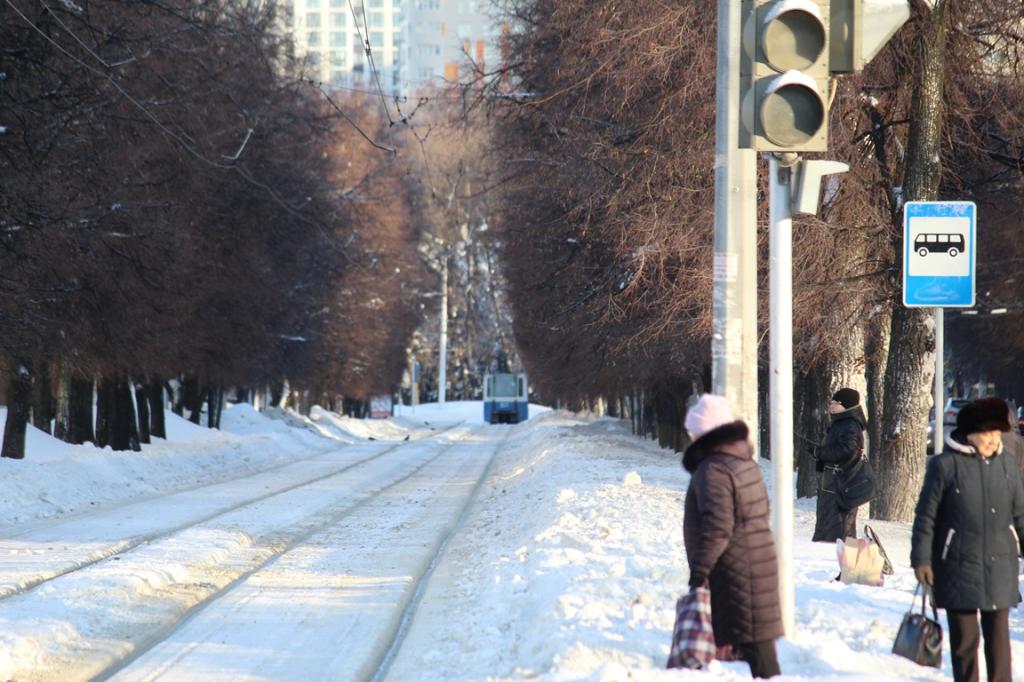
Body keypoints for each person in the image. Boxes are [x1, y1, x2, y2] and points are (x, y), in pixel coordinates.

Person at [911, 397, 1024, 682]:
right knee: (965, 643)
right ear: (971, 433)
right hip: (957, 565)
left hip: (999, 565)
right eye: (987, 433)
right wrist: (922, 560)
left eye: (997, 433)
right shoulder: (944, 465)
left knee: (999, 643)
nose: (992, 440)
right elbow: (926, 516)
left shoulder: (1007, 466)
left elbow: (1021, 514)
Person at [682, 394, 783, 678]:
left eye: (695, 430)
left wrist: (700, 568)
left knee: (756, 646)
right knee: (756, 641)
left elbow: (718, 524)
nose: (691, 435)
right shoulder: (741, 460)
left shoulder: (713, 468)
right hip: (755, 557)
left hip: (735, 565)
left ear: (706, 431)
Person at [812, 387, 868, 543]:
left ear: (847, 405)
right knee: (832, 527)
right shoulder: (841, 423)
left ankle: (840, 559)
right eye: (832, 401)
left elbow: (847, 450)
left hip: (841, 481)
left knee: (839, 530)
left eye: (836, 402)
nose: (831, 404)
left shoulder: (850, 424)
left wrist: (820, 453)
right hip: (834, 481)